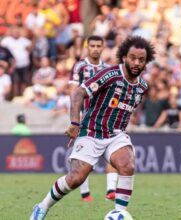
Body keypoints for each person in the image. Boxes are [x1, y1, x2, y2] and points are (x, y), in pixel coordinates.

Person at [29, 36, 155, 220]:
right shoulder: (110, 75)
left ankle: (119, 213)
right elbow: (78, 92)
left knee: (127, 166)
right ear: (124, 57)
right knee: (76, 179)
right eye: (133, 57)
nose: (136, 62)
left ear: (146, 62)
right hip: (90, 132)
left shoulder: (143, 86)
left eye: (141, 59)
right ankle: (41, 207)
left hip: (116, 134)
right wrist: (74, 122)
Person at [68, 35, 118, 202]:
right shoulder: (80, 66)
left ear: (103, 48)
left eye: (98, 46)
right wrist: (75, 119)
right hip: (85, 117)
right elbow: (74, 93)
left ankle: (111, 190)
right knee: (84, 158)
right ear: (87, 47)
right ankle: (85, 194)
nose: (96, 48)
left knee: (111, 151)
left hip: (104, 118)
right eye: (93, 46)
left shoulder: (108, 68)